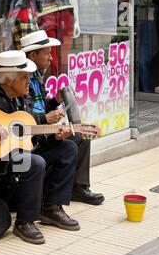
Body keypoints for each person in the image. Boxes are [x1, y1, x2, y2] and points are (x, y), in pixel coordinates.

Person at [0, 50, 80, 245]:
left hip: (21, 150)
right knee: (34, 161)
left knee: (68, 148)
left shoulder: (23, 97)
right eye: (23, 77)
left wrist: (54, 135)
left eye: (29, 77)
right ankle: (24, 222)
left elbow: (27, 129)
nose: (28, 82)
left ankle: (51, 208)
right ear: (8, 80)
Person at [20, 30, 105, 205]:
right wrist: (45, 118)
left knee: (80, 137)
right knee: (68, 145)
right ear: (33, 55)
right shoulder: (21, 79)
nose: (51, 58)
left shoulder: (37, 76)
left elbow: (40, 107)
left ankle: (78, 188)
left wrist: (55, 101)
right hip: (29, 137)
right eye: (47, 54)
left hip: (42, 130)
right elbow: (19, 115)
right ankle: (51, 201)